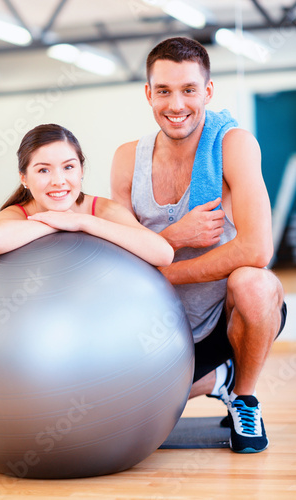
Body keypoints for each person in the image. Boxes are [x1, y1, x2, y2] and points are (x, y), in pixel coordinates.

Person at [111, 37, 287, 454]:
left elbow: (258, 249)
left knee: (254, 283)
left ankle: (243, 396)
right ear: (148, 94)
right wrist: (176, 237)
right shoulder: (125, 159)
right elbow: (119, 253)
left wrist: (163, 271)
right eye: (164, 90)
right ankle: (220, 379)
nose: (177, 104)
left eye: (189, 89)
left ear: (207, 92)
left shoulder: (234, 145)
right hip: (158, 327)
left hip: (220, 320)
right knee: (116, 411)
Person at [0, 123, 174, 270]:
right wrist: (56, 222)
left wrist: (82, 222)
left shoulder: (103, 209)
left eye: (68, 167)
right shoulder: (18, 213)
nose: (58, 180)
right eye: (43, 170)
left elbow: (163, 254)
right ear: (24, 177)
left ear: (81, 170)